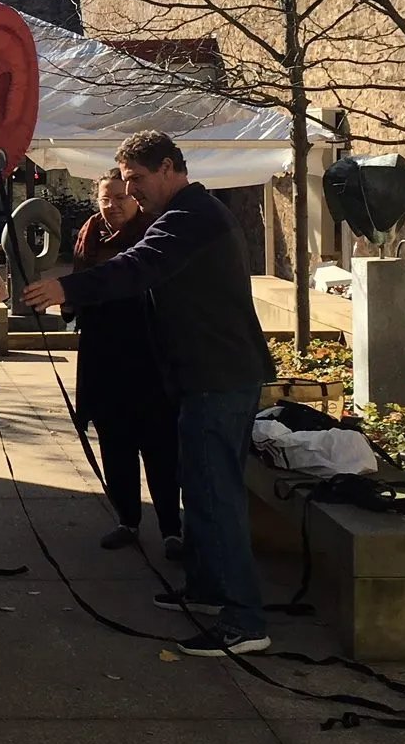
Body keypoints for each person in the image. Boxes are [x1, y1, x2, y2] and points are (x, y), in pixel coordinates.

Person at [23, 129, 275, 657]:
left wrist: (68, 287)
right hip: (201, 375)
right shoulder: (184, 215)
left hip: (219, 375)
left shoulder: (192, 217)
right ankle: (208, 591)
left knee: (214, 495)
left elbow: (138, 267)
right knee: (198, 490)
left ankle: (245, 622)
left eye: (136, 180)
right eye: (125, 182)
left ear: (168, 168)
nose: (132, 192)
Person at [70, 170, 182, 558]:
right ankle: (127, 520)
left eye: (121, 198)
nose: (113, 205)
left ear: (134, 200)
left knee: (160, 446)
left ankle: (172, 528)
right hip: (103, 351)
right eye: (106, 198)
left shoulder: (154, 234)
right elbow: (80, 285)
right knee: (115, 443)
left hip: (149, 353)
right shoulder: (88, 236)